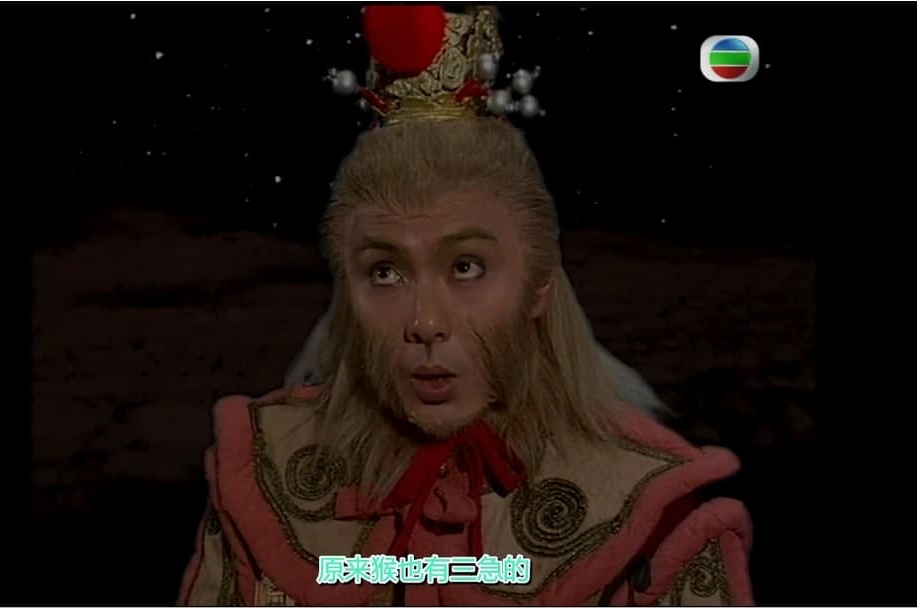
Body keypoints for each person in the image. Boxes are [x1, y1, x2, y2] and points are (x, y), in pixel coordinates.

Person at [178, 5, 754, 605]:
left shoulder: (649, 507)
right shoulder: (262, 474)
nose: (426, 323)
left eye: (466, 267)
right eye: (384, 272)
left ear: (539, 286)